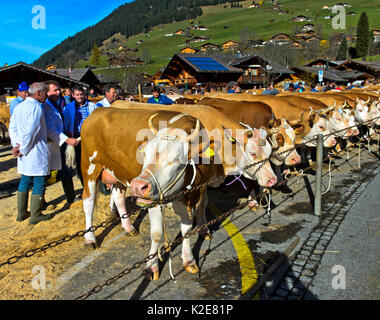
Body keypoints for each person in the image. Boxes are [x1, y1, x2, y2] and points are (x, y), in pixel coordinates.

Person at [9, 82, 54, 224]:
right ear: (39, 93)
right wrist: (22, 148)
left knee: (25, 180)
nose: (47, 94)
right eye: (45, 92)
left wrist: (16, 145)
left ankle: (21, 213)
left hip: (23, 151)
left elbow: (12, 128)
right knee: (39, 181)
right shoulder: (36, 107)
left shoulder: (19, 107)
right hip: (34, 151)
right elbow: (31, 131)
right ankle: (36, 214)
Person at [43, 80, 80, 206]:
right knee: (44, 174)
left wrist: (66, 132)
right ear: (47, 92)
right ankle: (41, 202)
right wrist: (67, 139)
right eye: (55, 90)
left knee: (66, 170)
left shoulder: (56, 105)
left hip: (60, 143)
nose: (59, 92)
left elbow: (59, 125)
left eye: (59, 90)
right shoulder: (45, 107)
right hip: (52, 145)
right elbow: (51, 129)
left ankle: (71, 197)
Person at [63, 86, 98, 186]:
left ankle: (95, 182)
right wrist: (68, 132)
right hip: (77, 138)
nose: (80, 97)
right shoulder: (69, 107)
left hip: (90, 138)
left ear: (84, 95)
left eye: (81, 94)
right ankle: (84, 184)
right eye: (77, 95)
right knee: (80, 162)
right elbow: (66, 123)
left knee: (93, 160)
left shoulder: (92, 106)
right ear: (73, 95)